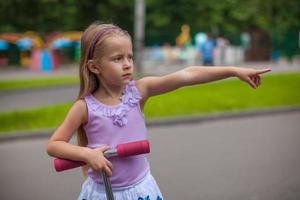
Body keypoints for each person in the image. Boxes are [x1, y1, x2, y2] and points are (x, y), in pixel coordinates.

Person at [47, 22, 271, 200]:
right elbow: (54, 145)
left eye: (129, 57)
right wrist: (87, 154)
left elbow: (187, 75)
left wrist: (233, 70)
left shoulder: (139, 91)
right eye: (117, 58)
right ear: (94, 66)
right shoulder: (84, 107)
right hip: (102, 193)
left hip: (140, 189)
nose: (127, 64)